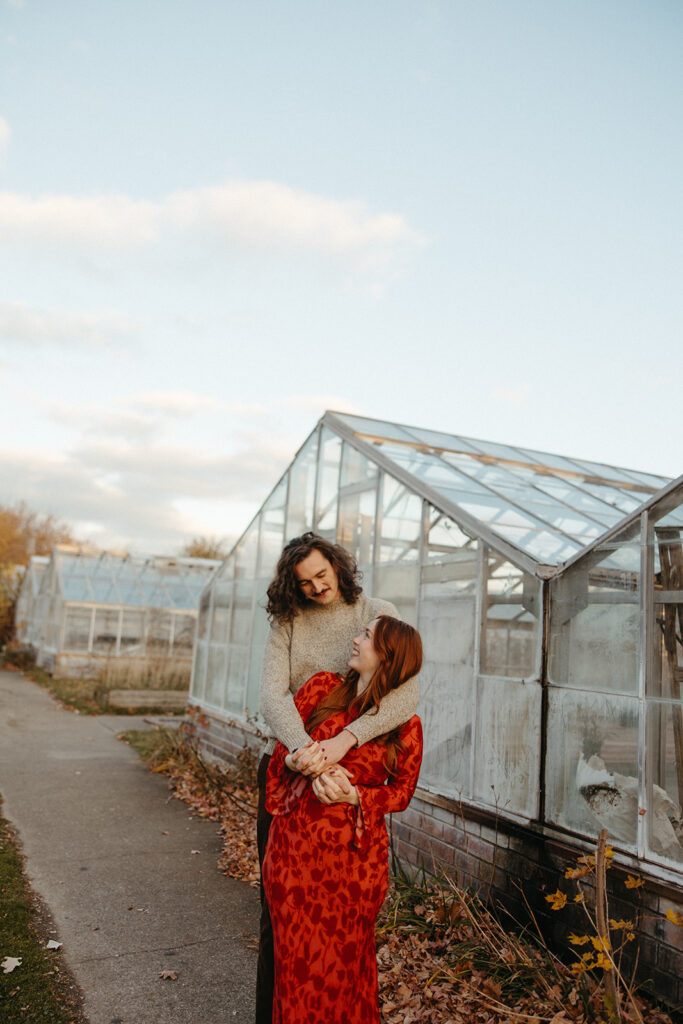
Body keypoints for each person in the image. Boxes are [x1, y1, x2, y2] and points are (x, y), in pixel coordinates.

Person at [255, 532, 419, 1023]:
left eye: (322, 575)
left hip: (345, 793)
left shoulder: (376, 612)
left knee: (343, 943)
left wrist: (343, 744)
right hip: (293, 774)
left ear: (338, 567)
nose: (316, 588)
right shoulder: (289, 621)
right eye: (304, 582)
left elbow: (405, 692)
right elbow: (272, 694)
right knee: (279, 930)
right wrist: (302, 751)